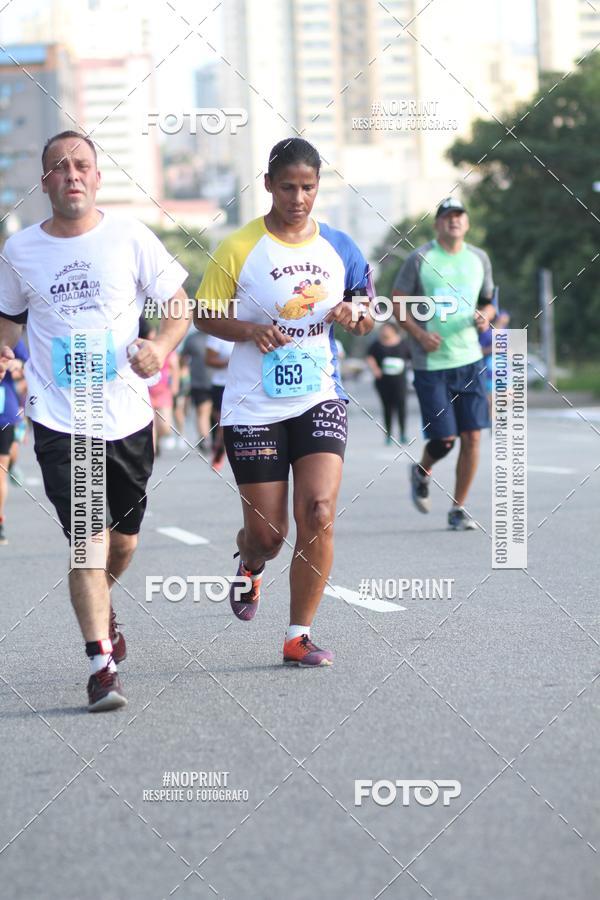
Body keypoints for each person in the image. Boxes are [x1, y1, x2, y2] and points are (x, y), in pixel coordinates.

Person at [0, 131, 189, 710]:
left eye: (82, 165)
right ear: (45, 183)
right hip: (62, 420)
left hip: (128, 416)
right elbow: (7, 323)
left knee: (123, 544)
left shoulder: (130, 236)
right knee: (88, 542)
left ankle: (103, 612)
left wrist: (159, 345)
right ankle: (101, 664)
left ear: (98, 177)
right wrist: (5, 352)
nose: (72, 175)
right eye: (59, 168)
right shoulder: (20, 252)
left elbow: (179, 305)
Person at [195, 137, 374, 666]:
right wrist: (250, 330)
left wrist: (354, 316)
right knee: (269, 533)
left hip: (319, 395)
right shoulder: (238, 247)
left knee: (318, 511)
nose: (299, 197)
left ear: (319, 187)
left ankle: (298, 635)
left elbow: (367, 314)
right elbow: (205, 315)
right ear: (268, 184)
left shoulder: (340, 247)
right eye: (289, 186)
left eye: (309, 187)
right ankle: (250, 562)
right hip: (253, 405)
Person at [393, 196, 496, 530]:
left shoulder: (479, 258)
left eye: (459, 215)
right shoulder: (420, 258)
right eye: (447, 216)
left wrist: (486, 317)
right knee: (445, 439)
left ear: (466, 223)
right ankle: (422, 471)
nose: (454, 220)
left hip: (470, 361)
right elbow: (397, 303)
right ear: (437, 224)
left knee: (473, 437)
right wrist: (419, 336)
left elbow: (488, 302)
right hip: (431, 364)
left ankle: (458, 508)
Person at [0, 338, 28, 543]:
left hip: (3, 413)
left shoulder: (7, 329)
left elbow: (29, 364)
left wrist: (15, 364)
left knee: (0, 473)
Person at [366, 321, 411, 444]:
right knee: (387, 407)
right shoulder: (376, 344)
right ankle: (388, 434)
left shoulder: (403, 344)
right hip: (383, 381)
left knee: (401, 406)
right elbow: (370, 357)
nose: (385, 332)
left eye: (387, 329)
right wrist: (375, 369)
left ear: (393, 330)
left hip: (400, 381)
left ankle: (403, 433)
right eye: (383, 329)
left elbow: (411, 358)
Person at [142, 319, 180, 454]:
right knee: (150, 423)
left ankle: (159, 438)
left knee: (165, 426)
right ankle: (153, 448)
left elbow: (174, 367)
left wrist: (175, 386)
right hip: (147, 391)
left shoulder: (164, 347)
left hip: (163, 390)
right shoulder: (141, 346)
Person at [181, 325, 212, 454]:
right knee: (202, 411)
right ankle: (205, 439)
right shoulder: (191, 339)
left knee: (216, 412)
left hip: (220, 382)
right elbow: (182, 359)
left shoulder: (220, 337)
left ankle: (217, 439)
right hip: (199, 383)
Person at [205, 333, 233, 471]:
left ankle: (222, 450)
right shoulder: (217, 335)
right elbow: (209, 359)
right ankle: (219, 450)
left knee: (229, 423)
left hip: (242, 385)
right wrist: (229, 362)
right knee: (222, 423)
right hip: (221, 385)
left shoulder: (251, 327)